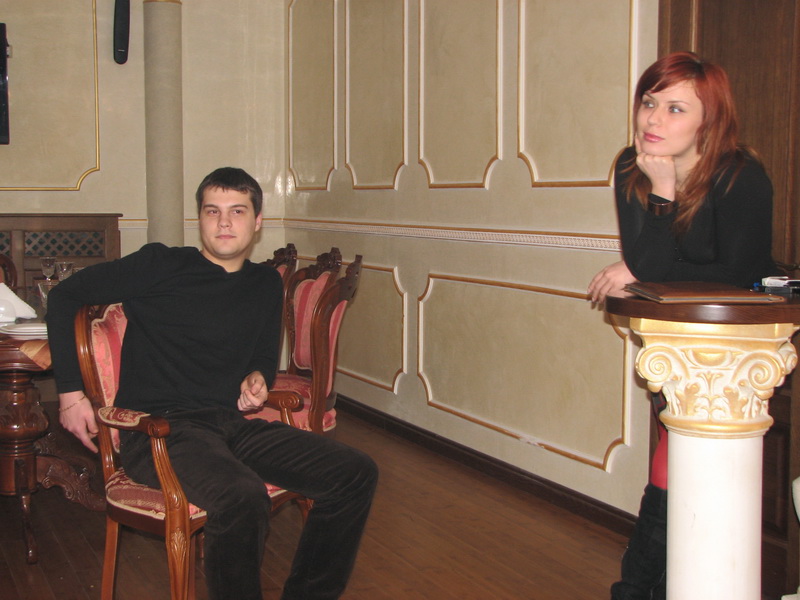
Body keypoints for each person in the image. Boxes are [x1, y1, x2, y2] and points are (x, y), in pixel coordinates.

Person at [46, 167, 379, 600]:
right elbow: (64, 296)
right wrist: (70, 395)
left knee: (354, 472)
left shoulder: (264, 284)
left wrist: (257, 378)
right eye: (212, 211)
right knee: (242, 497)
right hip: (158, 433)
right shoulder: (161, 265)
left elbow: (262, 357)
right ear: (199, 218)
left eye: (237, 211)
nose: (224, 222)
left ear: (257, 222)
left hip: (228, 425)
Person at [588, 52, 778, 599]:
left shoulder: (741, 175)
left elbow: (739, 274)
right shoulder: (634, 166)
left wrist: (640, 268)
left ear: (708, 119)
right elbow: (649, 261)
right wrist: (663, 190)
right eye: (649, 103)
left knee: (682, 470)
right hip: (678, 341)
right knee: (672, 469)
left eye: (675, 108)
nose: (653, 119)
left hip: (740, 347)